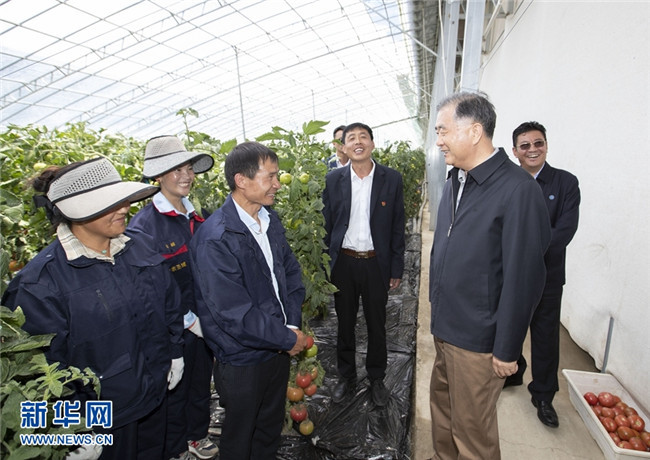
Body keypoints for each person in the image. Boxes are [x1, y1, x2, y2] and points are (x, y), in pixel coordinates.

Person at [2, 157, 184, 459]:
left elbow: (169, 305)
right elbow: (40, 370)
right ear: (77, 211)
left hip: (153, 398)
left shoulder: (138, 246)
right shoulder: (40, 285)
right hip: (102, 420)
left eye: (123, 200)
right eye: (111, 204)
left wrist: (174, 351)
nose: (125, 208)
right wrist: (69, 428)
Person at [428, 92, 551, 459]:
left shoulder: (517, 189)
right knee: (443, 413)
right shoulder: (457, 179)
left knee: (472, 432)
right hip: (446, 328)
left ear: (474, 131)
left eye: (443, 130)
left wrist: (507, 348)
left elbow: (524, 278)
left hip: (478, 339)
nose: (439, 140)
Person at [189, 141, 309, 460]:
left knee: (268, 428)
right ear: (241, 180)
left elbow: (291, 274)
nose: (277, 184)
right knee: (240, 435)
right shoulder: (215, 238)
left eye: (277, 176)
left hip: (276, 346)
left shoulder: (270, 221)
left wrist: (290, 326)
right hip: (242, 357)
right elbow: (233, 313)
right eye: (270, 176)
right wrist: (286, 338)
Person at [128, 135, 219, 460]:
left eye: (189, 169)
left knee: (200, 381)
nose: (186, 176)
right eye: (176, 170)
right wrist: (189, 321)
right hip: (171, 326)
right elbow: (152, 288)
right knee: (173, 388)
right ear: (158, 176)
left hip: (203, 319)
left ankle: (197, 434)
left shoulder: (197, 217)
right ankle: (176, 446)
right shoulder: (145, 226)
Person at [322, 122, 405, 407]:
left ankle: (377, 378)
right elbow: (327, 225)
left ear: (372, 143)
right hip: (344, 263)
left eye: (363, 137)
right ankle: (346, 376)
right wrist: (325, 265)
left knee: (376, 324)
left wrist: (396, 268)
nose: (358, 142)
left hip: (375, 263)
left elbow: (397, 226)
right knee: (344, 323)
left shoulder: (390, 179)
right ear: (343, 147)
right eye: (351, 138)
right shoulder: (333, 179)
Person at [506, 121, 580, 428]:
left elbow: (564, 230)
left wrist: (524, 251)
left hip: (548, 275)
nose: (532, 150)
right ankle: (513, 372)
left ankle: (544, 395)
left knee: (546, 336)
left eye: (538, 143)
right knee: (509, 326)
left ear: (546, 145)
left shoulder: (565, 183)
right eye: (525, 145)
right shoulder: (507, 182)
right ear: (515, 151)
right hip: (510, 274)